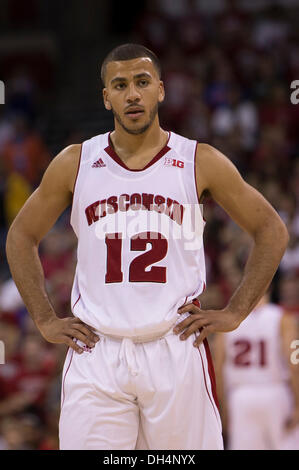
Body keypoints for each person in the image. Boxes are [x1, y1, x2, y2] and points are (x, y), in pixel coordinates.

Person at [6, 43, 289, 450]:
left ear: (160, 89)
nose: (132, 94)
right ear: (106, 97)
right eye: (119, 85)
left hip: (174, 345)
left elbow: (271, 229)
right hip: (97, 349)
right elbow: (20, 236)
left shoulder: (199, 160)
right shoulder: (76, 162)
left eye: (141, 82)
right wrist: (45, 320)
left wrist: (236, 312)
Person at [213, 292, 299, 450]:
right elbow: (294, 363)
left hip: (240, 398)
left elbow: (217, 369)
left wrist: (223, 410)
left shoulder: (225, 321)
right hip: (276, 393)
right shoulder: (283, 318)